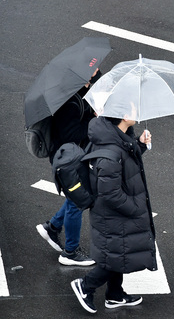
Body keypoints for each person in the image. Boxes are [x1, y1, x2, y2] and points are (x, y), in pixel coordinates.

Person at [71, 105, 155, 314]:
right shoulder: (110, 152)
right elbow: (109, 193)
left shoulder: (116, 136)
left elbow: (126, 160)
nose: (138, 113)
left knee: (120, 253)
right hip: (114, 215)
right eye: (135, 110)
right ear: (125, 116)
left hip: (114, 215)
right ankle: (85, 286)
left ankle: (115, 295)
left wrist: (140, 145)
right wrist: (135, 208)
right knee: (114, 258)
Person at [36, 69, 101, 266]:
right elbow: (71, 134)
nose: (96, 74)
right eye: (93, 74)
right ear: (83, 79)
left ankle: (53, 227)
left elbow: (98, 86)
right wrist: (94, 120)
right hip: (66, 160)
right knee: (77, 202)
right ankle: (70, 252)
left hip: (74, 155)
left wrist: (94, 79)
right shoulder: (69, 103)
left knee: (77, 197)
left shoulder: (81, 91)